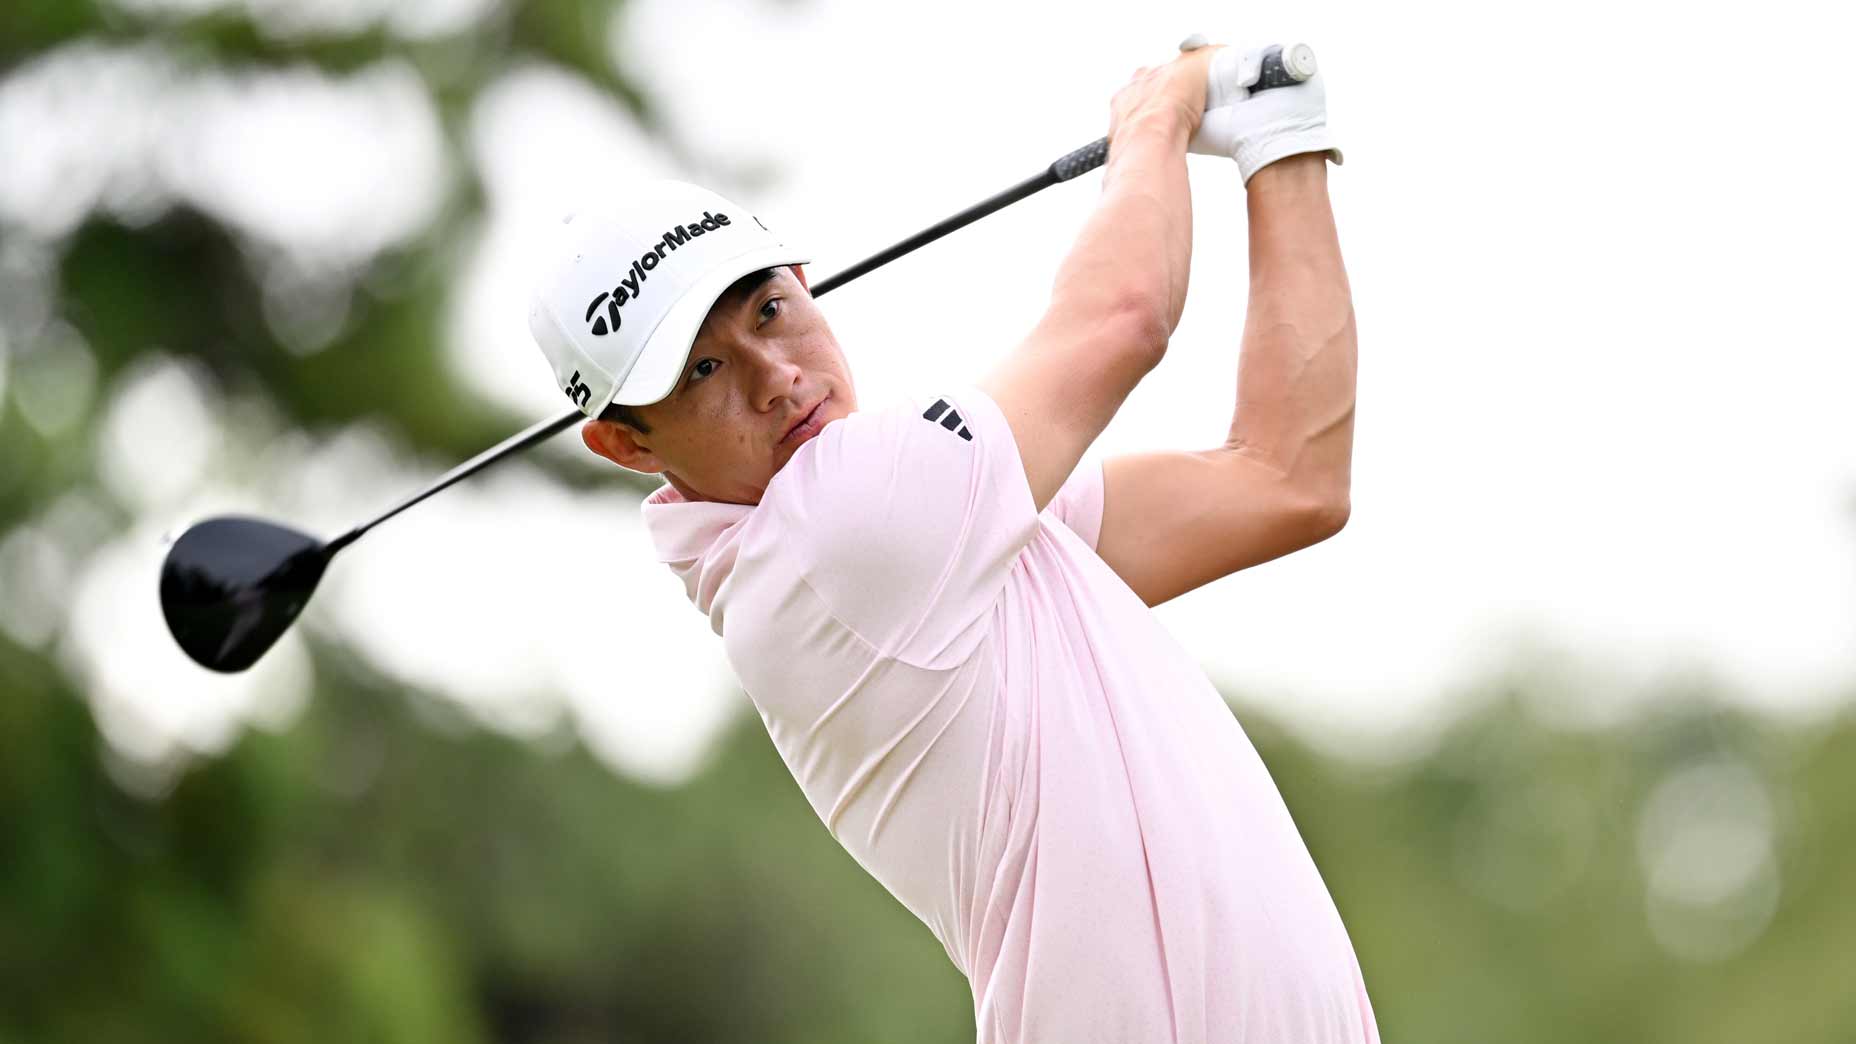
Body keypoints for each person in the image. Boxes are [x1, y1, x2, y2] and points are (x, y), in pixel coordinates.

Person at [526, 36, 1369, 1044]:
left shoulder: (941, 537)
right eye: (702, 372)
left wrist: (1281, 140)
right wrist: (1160, 111)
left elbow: (1286, 480)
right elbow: (1123, 318)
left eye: (770, 310)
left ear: (805, 280)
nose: (775, 377)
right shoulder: (832, 534)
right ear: (627, 444)